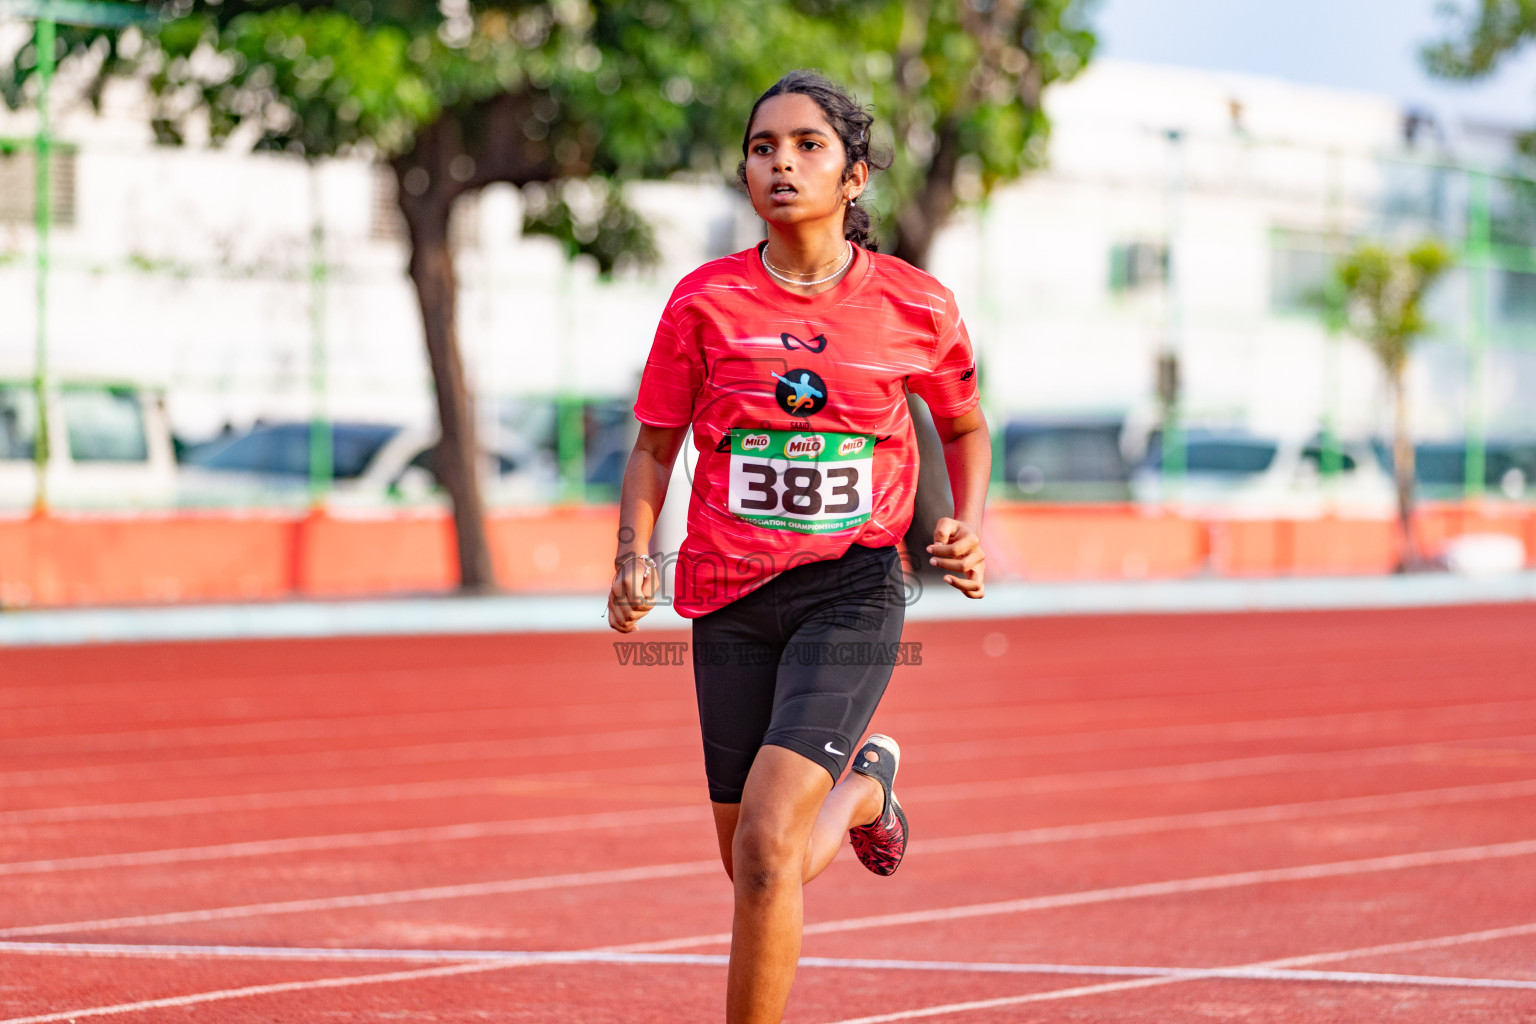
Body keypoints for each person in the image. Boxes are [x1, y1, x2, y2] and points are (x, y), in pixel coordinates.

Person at [607, 69, 990, 1024]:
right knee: (750, 862)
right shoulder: (702, 304)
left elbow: (966, 425)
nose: (782, 163)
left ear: (854, 176)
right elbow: (657, 441)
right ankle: (868, 791)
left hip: (851, 589)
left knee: (772, 848)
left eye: (808, 145)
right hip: (727, 595)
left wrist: (964, 526)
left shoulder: (916, 306)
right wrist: (631, 555)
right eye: (762, 146)